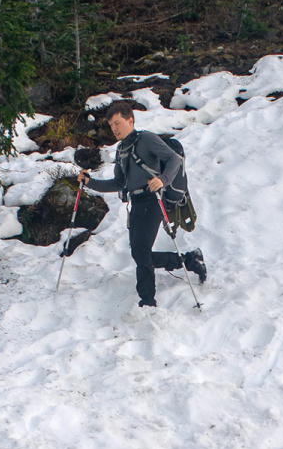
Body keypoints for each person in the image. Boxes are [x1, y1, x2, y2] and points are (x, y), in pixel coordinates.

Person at [79, 101, 207, 308]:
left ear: (131, 120)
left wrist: (163, 180)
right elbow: (119, 183)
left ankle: (147, 301)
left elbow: (174, 159)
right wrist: (90, 183)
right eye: (111, 125)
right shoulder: (121, 149)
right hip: (136, 203)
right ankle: (190, 260)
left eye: (118, 123)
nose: (114, 128)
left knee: (140, 251)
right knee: (140, 253)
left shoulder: (146, 139)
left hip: (154, 200)